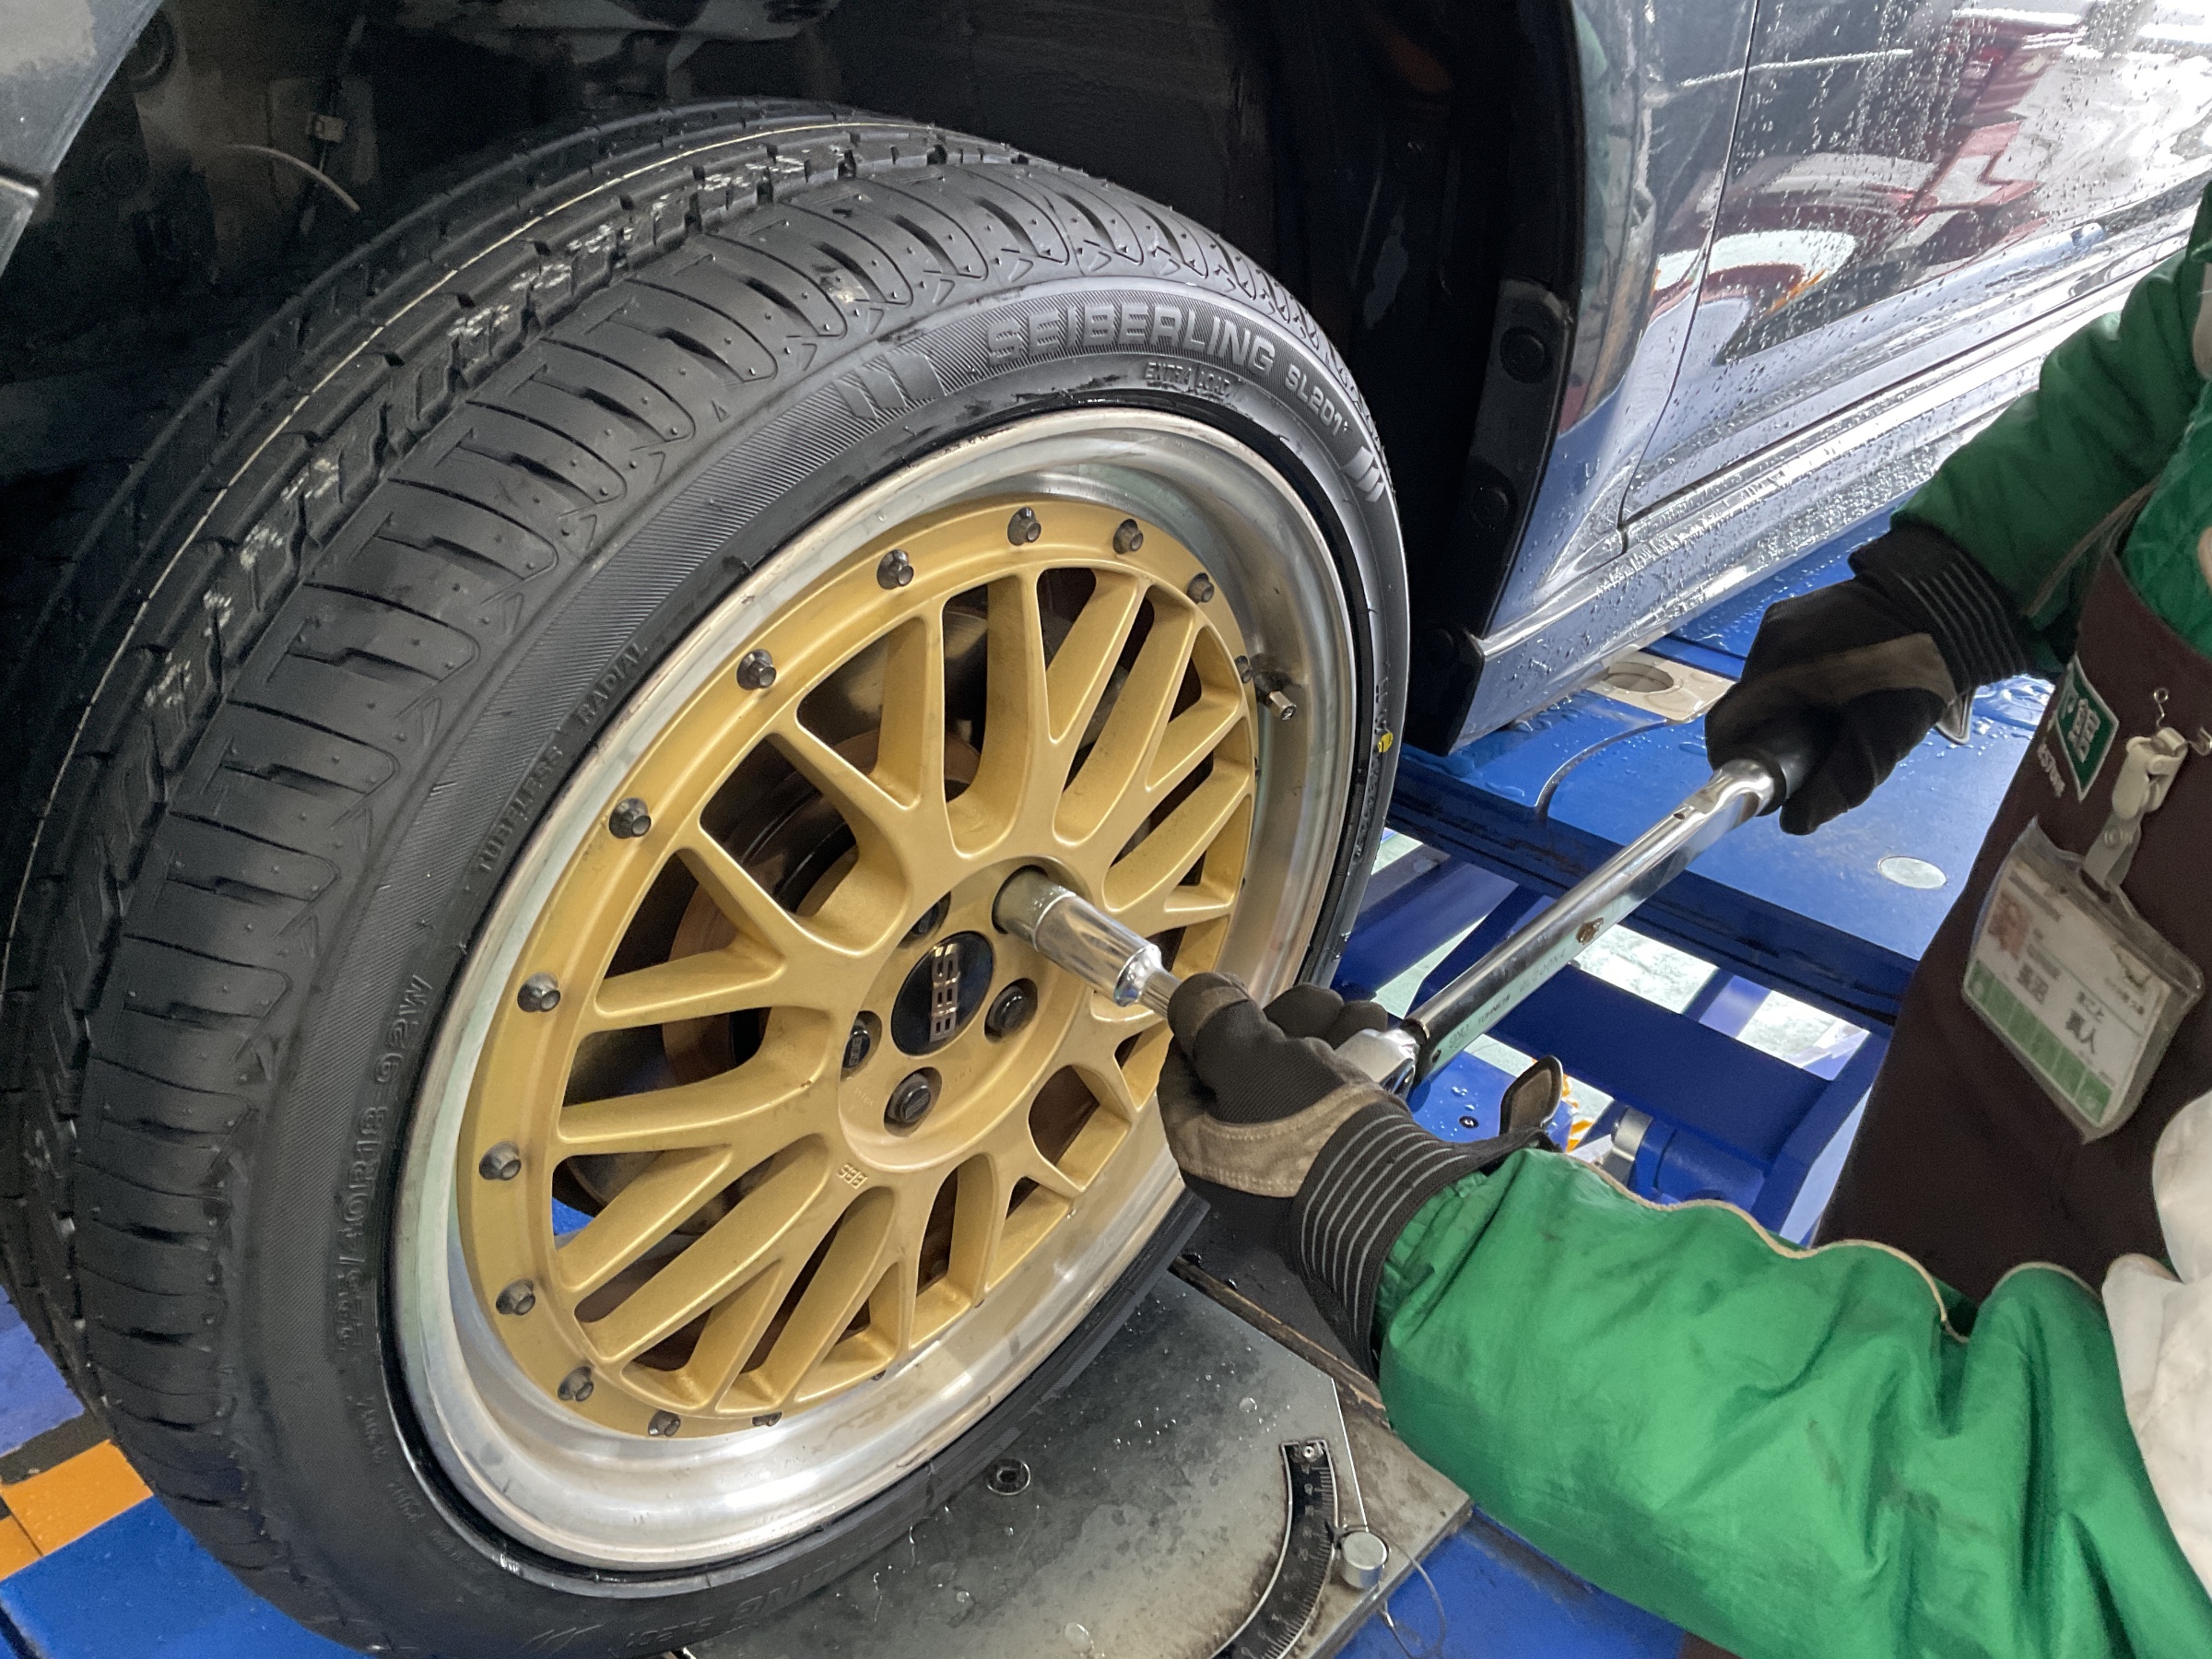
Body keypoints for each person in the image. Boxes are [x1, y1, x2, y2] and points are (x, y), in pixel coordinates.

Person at [1158, 180, 2212, 1657]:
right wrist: (1964, 579)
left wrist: (1439, 1252)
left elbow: (2072, 1569)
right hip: (2083, 953)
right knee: (1909, 1264)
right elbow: (2187, 354)